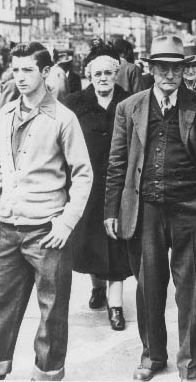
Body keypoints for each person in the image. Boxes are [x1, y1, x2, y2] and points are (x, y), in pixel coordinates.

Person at [104, 35, 196, 382]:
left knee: (193, 292)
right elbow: (116, 161)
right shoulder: (131, 107)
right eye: (163, 68)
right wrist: (112, 209)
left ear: (185, 70)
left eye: (177, 68)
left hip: (191, 210)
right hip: (146, 211)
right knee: (148, 289)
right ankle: (152, 355)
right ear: (151, 69)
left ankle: (190, 366)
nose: (170, 74)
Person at [0, 41, 93, 381]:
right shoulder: (5, 113)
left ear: (44, 72)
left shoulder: (63, 118)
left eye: (28, 70)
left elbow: (83, 174)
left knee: (52, 314)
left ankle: (47, 374)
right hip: (9, 227)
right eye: (16, 70)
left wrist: (67, 222)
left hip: (47, 232)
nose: (21, 77)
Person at [65, 44, 132, 330]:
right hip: (86, 186)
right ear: (89, 75)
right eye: (97, 74)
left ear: (116, 74)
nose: (102, 78)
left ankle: (116, 306)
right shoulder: (74, 103)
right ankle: (97, 288)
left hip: (119, 184)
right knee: (90, 242)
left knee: (117, 244)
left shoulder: (131, 102)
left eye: (108, 73)